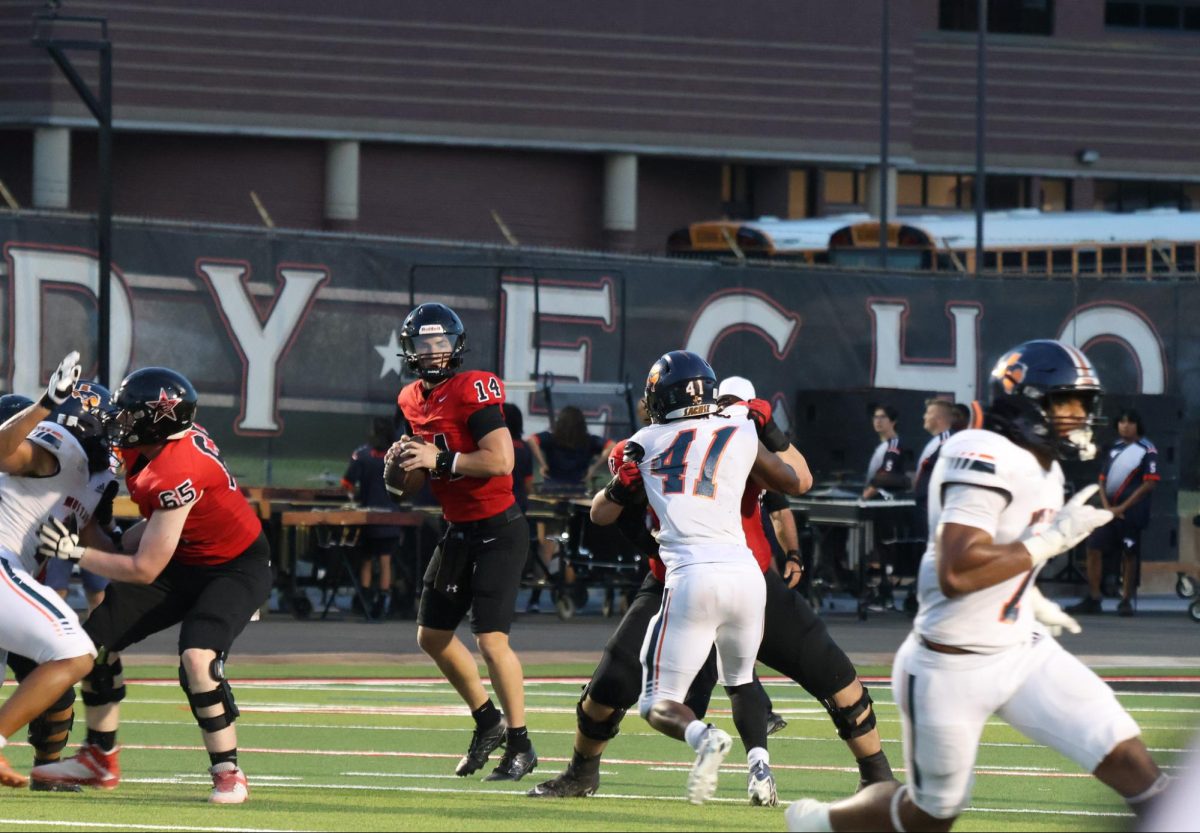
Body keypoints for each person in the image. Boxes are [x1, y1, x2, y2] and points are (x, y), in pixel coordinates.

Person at [786, 339, 1169, 833]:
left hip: (1022, 651)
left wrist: (1027, 595)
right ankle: (821, 824)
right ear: (1025, 401)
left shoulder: (1045, 465)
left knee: (1134, 766)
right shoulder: (981, 450)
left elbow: (1000, 552)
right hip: (951, 665)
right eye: (1065, 402)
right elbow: (959, 570)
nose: (1078, 416)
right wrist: (1050, 542)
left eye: (1083, 404)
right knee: (928, 816)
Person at [530, 376, 895, 804]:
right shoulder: (730, 430)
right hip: (708, 576)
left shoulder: (666, 439)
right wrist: (768, 430)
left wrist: (768, 433)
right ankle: (581, 771)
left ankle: (877, 773)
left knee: (831, 673)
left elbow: (796, 482)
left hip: (719, 578)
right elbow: (800, 479)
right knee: (610, 681)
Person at [32, 367, 273, 805]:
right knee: (92, 646)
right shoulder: (153, 446)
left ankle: (228, 771)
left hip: (234, 566)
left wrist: (76, 552)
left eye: (129, 414)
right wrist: (95, 528)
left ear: (157, 421)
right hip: (184, 550)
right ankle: (100, 759)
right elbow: (138, 539)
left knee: (198, 658)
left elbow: (144, 569)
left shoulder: (176, 468)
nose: (118, 420)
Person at [588, 351, 805, 805]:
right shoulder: (740, 426)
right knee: (742, 680)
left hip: (692, 576)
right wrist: (770, 431)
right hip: (747, 576)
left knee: (656, 702)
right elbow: (794, 481)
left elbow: (600, 514)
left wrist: (619, 486)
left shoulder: (643, 441)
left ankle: (704, 737)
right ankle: (760, 772)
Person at [390, 302, 537, 781]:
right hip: (458, 528)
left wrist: (440, 459)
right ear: (410, 350)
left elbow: (501, 462)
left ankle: (521, 744)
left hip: (499, 527)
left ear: (455, 345)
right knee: (431, 635)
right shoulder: (410, 398)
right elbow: (418, 470)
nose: (434, 352)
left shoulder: (473, 387)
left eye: (441, 342)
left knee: (492, 641)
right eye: (424, 344)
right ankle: (487, 720)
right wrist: (402, 469)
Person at [0, 354, 103, 789]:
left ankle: (45, 767)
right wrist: (47, 404)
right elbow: (6, 451)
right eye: (110, 424)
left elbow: (105, 543)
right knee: (73, 651)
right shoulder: (60, 443)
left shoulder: (97, 479)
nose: (117, 433)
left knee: (58, 667)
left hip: (14, 572)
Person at [1068, 408, 1159, 617]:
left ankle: (1126, 600)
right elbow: (1102, 479)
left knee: (1129, 553)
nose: (1125, 426)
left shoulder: (1147, 450)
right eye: (1122, 422)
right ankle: (1094, 597)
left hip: (1132, 513)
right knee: (1093, 547)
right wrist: (1108, 507)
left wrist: (1122, 507)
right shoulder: (1113, 449)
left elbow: (1149, 484)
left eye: (1130, 422)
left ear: (1138, 426)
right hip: (1108, 512)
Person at [341, 417, 401, 620]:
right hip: (392, 517)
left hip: (368, 518)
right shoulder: (398, 456)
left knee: (366, 559)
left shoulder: (362, 455)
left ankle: (364, 600)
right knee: (386, 561)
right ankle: (382, 602)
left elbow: (347, 484)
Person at [911, 398, 955, 540]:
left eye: (928, 413)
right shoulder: (935, 441)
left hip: (934, 506)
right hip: (925, 505)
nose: (924, 416)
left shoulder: (947, 441)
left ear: (939, 418)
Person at [862, 404, 906, 499]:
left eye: (883, 417)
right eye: (876, 417)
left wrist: (864, 497)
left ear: (893, 421)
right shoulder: (882, 446)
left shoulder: (894, 444)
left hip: (884, 499)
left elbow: (886, 476)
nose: (878, 421)